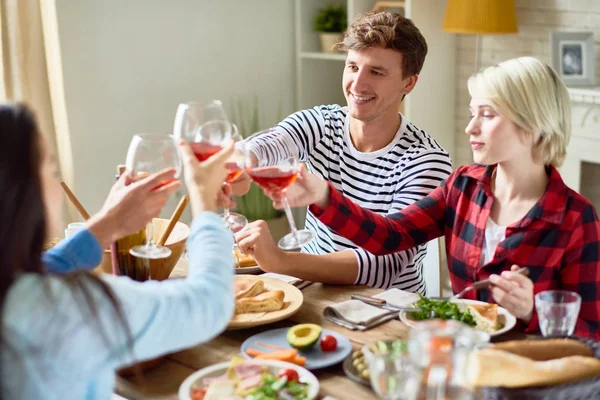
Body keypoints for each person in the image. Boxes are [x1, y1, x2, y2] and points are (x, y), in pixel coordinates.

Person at [246, 57, 600, 340]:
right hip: (454, 351)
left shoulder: (576, 220)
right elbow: (390, 236)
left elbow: (592, 334)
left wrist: (532, 311)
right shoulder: (464, 187)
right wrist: (323, 196)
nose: (470, 127)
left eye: (487, 115)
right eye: (472, 112)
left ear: (534, 124)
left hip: (526, 371)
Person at [0, 103, 236, 398]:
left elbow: (49, 265)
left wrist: (107, 224)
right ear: (19, 194)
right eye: (50, 168)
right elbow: (208, 304)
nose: (54, 183)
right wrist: (204, 200)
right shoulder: (65, 310)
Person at [232, 11, 452, 294]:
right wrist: (240, 163)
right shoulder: (322, 123)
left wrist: (282, 261)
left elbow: (383, 266)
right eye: (352, 67)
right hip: (310, 289)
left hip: (384, 310)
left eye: (376, 72)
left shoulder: (426, 161)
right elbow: (267, 144)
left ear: (408, 83)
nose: (357, 85)